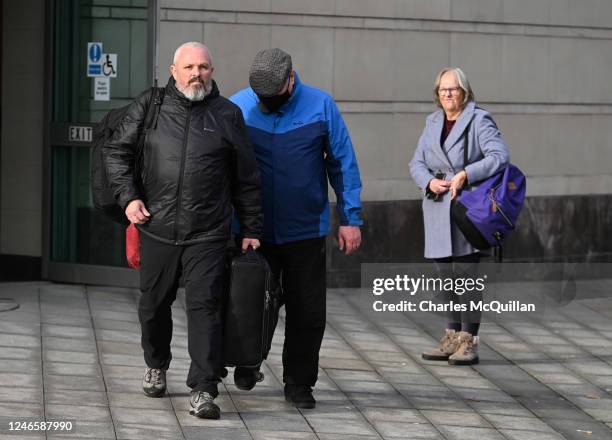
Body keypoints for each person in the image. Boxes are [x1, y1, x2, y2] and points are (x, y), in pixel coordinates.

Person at [104, 42, 262, 419]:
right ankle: (156, 364)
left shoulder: (228, 114)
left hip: (207, 233)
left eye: (204, 67)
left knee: (205, 308)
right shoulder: (150, 106)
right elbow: (117, 152)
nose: (197, 74)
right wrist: (128, 198)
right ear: (173, 71)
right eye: (189, 67)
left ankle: (204, 389)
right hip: (155, 228)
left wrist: (252, 226)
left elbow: (247, 178)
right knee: (153, 306)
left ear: (212, 71)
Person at [230, 48, 363, 408]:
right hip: (253, 230)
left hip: (305, 230)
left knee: (307, 311)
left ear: (291, 78)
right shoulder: (239, 107)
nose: (268, 103)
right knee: (250, 303)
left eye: (274, 97)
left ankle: (299, 384)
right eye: (263, 98)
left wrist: (351, 219)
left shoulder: (321, 106)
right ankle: (247, 362)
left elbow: (343, 163)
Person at [409, 67, 509, 365]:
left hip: (468, 209)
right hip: (438, 206)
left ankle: (469, 342)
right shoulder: (433, 122)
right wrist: (427, 181)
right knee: (445, 280)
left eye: (453, 89)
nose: (448, 94)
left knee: (467, 280)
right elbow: (415, 162)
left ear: (464, 91)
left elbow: (499, 156)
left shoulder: (479, 119)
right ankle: (451, 336)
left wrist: (466, 173)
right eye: (443, 90)